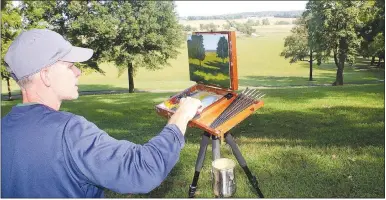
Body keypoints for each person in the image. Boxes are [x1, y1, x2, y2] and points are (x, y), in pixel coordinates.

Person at [1, 29, 202, 198]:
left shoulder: (4, 129)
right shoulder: (69, 132)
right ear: (45, 75)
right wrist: (181, 115)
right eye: (70, 66)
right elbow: (142, 169)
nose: (78, 72)